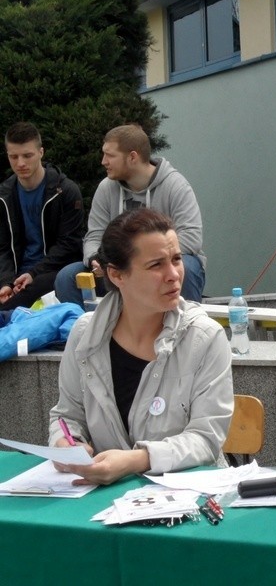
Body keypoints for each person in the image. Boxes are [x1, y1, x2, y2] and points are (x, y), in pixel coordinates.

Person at [49, 208, 233, 485]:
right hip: (105, 498)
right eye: (156, 265)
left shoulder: (205, 337)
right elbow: (67, 414)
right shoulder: (86, 335)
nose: (173, 275)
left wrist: (136, 460)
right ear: (117, 275)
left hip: (190, 498)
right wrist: (65, 441)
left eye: (177, 259)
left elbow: (206, 439)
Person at [54, 124, 206, 306]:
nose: (103, 161)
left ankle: (182, 329)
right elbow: (94, 235)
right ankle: (91, 331)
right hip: (118, 267)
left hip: (157, 265)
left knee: (185, 267)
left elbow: (191, 237)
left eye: (110, 155)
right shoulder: (106, 188)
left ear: (133, 157)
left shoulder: (175, 186)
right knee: (67, 277)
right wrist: (97, 259)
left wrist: (145, 260)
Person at [0, 122, 84, 310]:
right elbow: (3, 248)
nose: (20, 163)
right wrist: (5, 283)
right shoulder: (4, 195)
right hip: (15, 275)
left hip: (54, 271)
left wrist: (32, 273)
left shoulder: (66, 191)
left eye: (27, 155)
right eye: (14, 156)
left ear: (41, 152)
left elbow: (69, 245)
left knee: (17, 302)